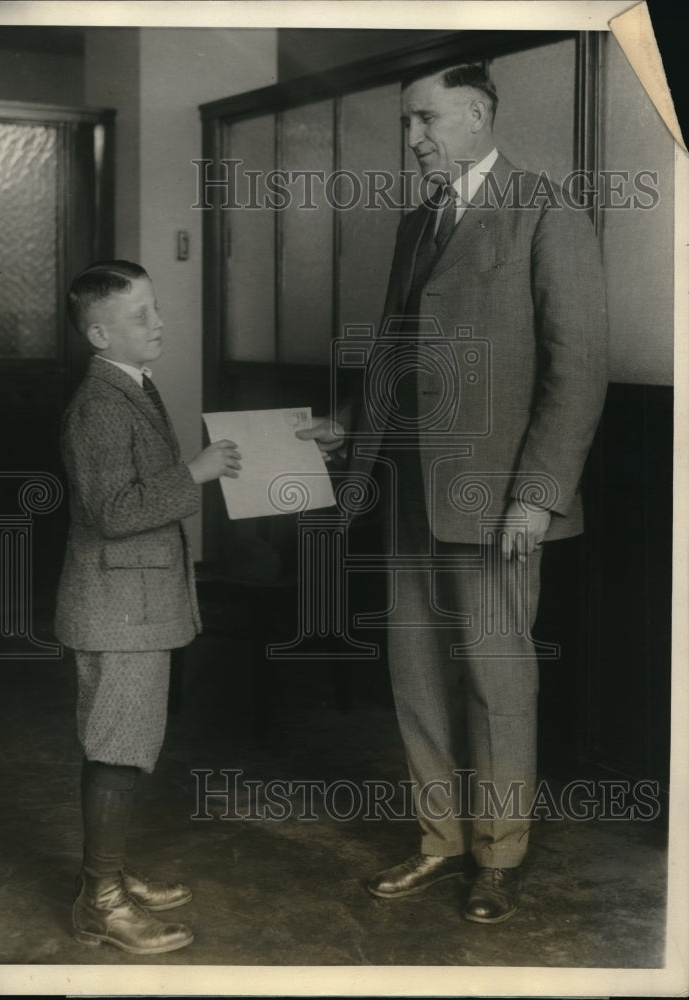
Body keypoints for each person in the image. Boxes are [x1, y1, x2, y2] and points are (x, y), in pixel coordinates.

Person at [299, 64, 608, 923]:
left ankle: (499, 858)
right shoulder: (419, 220)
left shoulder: (548, 209)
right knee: (417, 676)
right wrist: (349, 424)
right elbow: (398, 348)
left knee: (496, 683)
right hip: (407, 490)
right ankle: (441, 842)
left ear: (477, 116)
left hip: (499, 504)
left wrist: (537, 496)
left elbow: (577, 371)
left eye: (425, 120)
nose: (413, 140)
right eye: (408, 124)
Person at [55, 260, 241, 953]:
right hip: (118, 607)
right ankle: (100, 902)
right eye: (141, 316)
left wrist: (195, 469)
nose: (158, 323)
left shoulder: (130, 386)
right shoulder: (100, 405)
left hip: (129, 602)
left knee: (124, 743)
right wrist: (193, 471)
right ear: (100, 332)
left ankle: (108, 876)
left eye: (156, 309)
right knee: (117, 747)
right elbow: (113, 511)